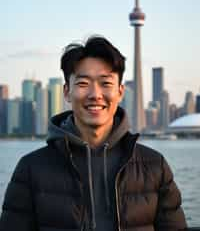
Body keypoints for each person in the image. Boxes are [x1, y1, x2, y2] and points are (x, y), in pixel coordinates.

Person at [0, 36, 187, 231]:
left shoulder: (155, 167)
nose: (95, 94)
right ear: (66, 92)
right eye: (83, 84)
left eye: (106, 83)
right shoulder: (31, 169)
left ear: (120, 92)